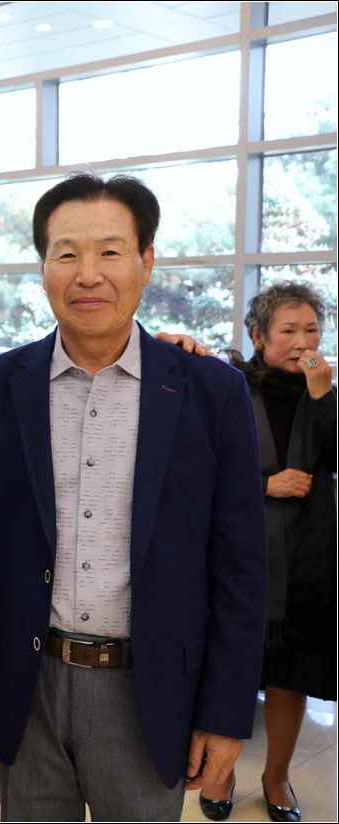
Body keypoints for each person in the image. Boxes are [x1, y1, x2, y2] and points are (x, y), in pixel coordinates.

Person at [0, 172, 269, 821]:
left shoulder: (212, 392)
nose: (87, 274)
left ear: (146, 262)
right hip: (26, 685)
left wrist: (225, 714)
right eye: (66, 253)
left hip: (150, 688)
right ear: (42, 267)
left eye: (110, 252)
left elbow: (240, 568)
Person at [199, 282, 335, 823]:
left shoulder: (322, 391)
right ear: (258, 336)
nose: (303, 342)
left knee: (289, 676)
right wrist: (264, 485)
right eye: (289, 330)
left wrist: (323, 396)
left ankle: (277, 777)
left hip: (305, 562)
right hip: (236, 558)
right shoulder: (227, 387)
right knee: (226, 667)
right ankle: (220, 773)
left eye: (313, 329)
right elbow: (198, 469)